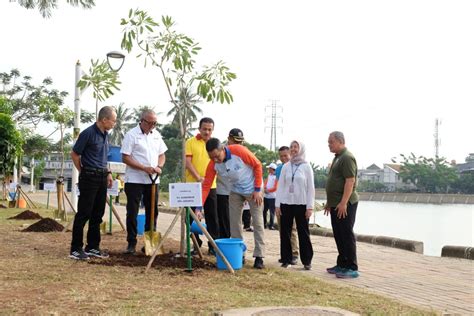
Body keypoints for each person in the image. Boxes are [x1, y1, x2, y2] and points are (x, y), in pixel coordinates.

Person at [201, 138, 266, 269]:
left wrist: (258, 189)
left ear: (223, 149)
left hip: (253, 189)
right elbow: (206, 185)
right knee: (234, 223)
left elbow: (257, 165)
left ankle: (259, 256)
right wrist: (198, 207)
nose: (215, 160)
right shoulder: (213, 163)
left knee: (258, 222)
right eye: (211, 157)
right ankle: (239, 254)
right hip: (235, 190)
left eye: (217, 156)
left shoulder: (239, 151)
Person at [69, 106, 116, 260]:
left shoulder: (105, 135)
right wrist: (82, 170)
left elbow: (103, 157)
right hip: (89, 176)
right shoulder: (88, 133)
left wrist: (108, 173)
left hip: (102, 177)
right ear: (104, 120)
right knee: (84, 213)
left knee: (98, 214)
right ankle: (76, 249)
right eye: (113, 120)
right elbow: (75, 154)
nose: (114, 124)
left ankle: (92, 247)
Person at [121, 109, 167, 254]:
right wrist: (143, 168)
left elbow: (162, 155)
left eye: (155, 123)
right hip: (135, 179)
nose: (152, 126)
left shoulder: (157, 135)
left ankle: (149, 241)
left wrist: (159, 166)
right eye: (150, 123)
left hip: (153, 180)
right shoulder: (131, 135)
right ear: (142, 120)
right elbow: (125, 157)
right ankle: (131, 242)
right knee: (133, 211)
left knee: (153, 211)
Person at [324, 131, 360, 278]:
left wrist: (344, 202)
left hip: (346, 203)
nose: (329, 145)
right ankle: (342, 263)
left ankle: (351, 266)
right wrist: (329, 203)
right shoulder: (337, 158)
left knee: (346, 233)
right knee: (338, 234)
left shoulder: (347, 157)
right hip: (335, 204)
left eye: (331, 142)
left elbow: (350, 181)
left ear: (340, 141)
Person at [275, 140, 314, 270]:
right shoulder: (286, 166)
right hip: (286, 203)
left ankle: (307, 260)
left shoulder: (306, 166)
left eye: (295, 147)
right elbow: (280, 186)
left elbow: (310, 188)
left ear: (301, 149)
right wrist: (277, 205)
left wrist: (310, 206)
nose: (293, 149)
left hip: (301, 203)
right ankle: (286, 259)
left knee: (303, 232)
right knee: (285, 232)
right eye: (291, 147)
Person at [185, 117, 219, 253]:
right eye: (204, 129)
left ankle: (213, 246)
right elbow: (188, 162)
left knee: (212, 217)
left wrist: (208, 179)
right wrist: (198, 177)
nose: (207, 132)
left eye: (209, 129)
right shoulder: (191, 142)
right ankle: (195, 243)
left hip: (211, 187)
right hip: (192, 186)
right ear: (199, 128)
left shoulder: (215, 144)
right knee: (190, 217)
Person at [215, 128, 246, 238]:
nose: (238, 144)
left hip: (238, 192)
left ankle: (236, 244)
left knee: (236, 221)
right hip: (223, 191)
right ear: (229, 139)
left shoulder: (243, 152)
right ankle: (224, 243)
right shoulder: (219, 151)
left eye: (240, 142)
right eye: (236, 141)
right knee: (224, 220)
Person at [275, 146, 299, 265]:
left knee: (292, 229)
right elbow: (279, 186)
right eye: (281, 156)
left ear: (290, 154)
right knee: (282, 229)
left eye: (286, 155)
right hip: (281, 201)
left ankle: (294, 253)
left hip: (293, 202)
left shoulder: (297, 167)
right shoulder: (279, 169)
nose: (283, 158)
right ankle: (285, 254)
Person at [263, 163, 278, 230]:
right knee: (264, 211)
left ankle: (271, 225)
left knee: (272, 212)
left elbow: (275, 187)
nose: (268, 169)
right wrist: (265, 189)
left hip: (273, 197)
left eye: (269, 168)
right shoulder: (269, 175)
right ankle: (264, 224)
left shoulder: (276, 177)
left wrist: (268, 190)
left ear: (272, 169)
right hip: (266, 196)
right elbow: (265, 183)